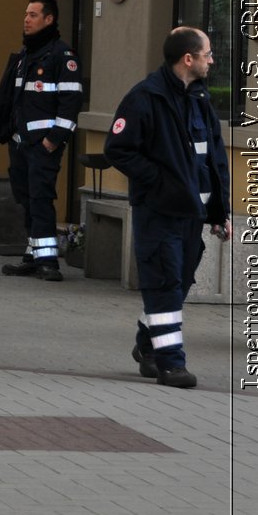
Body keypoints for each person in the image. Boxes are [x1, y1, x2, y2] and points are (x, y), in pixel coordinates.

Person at [104, 27, 230, 390]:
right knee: (164, 284)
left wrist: (219, 212)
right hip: (159, 213)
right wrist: (158, 183)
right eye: (207, 53)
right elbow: (119, 148)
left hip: (192, 215)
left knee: (177, 286)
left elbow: (214, 161)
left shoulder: (200, 99)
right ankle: (170, 364)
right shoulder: (146, 97)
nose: (212, 59)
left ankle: (147, 346)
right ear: (187, 59)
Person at [0, 0, 82, 282]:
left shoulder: (61, 56)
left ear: (49, 19)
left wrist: (53, 141)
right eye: (25, 14)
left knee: (41, 200)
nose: (26, 19)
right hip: (21, 144)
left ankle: (48, 262)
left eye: (33, 15)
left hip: (43, 146)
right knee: (28, 200)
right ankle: (32, 255)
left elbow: (71, 104)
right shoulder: (25, 57)